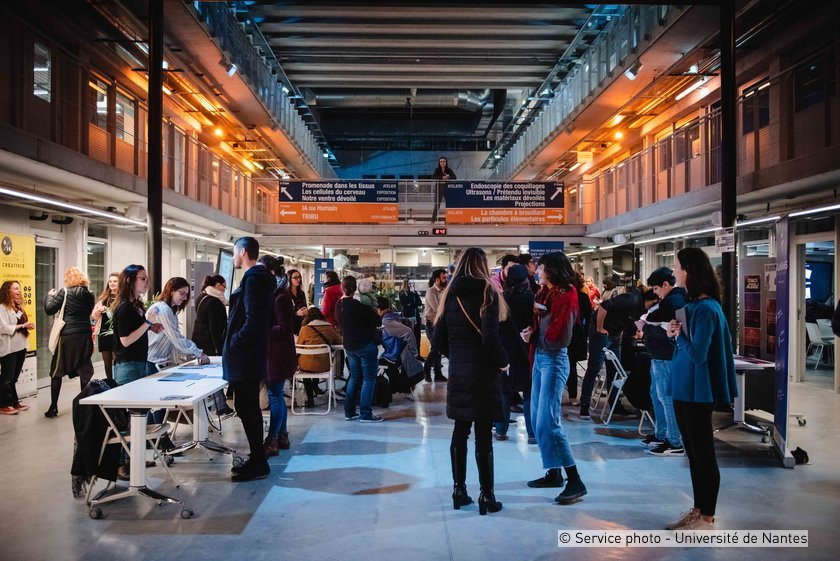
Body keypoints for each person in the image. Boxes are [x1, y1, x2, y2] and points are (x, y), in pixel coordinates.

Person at [431, 247, 509, 515]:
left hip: (459, 373)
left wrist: (457, 356)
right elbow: (490, 337)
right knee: (483, 436)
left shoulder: (449, 294)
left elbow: (437, 339)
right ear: (483, 266)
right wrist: (503, 362)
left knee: (460, 431)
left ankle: (458, 490)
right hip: (484, 374)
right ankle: (487, 495)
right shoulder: (488, 292)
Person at [664, 248, 736, 531]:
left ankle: (707, 514)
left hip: (697, 391)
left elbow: (698, 353)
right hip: (686, 389)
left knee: (702, 454)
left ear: (689, 271)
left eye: (677, 267)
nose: (674, 271)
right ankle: (699, 508)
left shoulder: (706, 309)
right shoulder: (697, 307)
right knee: (694, 455)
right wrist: (676, 334)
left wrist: (678, 336)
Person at [520, 252, 587, 504]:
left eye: (541, 268)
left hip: (554, 360)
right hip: (540, 357)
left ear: (552, 270)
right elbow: (544, 327)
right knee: (538, 420)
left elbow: (563, 339)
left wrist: (534, 337)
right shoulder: (544, 294)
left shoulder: (566, 296)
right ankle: (554, 472)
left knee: (549, 421)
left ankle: (575, 479)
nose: (537, 271)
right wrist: (532, 332)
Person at [223, 237, 276, 482]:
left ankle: (258, 461)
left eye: (235, 252)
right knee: (247, 407)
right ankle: (257, 458)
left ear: (243, 252)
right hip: (248, 354)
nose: (234, 257)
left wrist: (235, 341)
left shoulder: (253, 279)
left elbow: (253, 320)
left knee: (248, 407)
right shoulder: (256, 278)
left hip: (245, 355)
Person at [578, 283, 656, 419]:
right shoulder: (632, 299)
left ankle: (615, 405)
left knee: (615, 371)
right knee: (595, 367)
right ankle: (584, 405)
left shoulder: (642, 309)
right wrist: (600, 328)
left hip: (616, 334)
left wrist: (636, 331)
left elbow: (631, 323)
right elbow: (603, 306)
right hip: (602, 332)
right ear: (654, 300)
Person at [639, 267, 688, 456]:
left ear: (666, 285)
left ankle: (674, 441)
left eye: (656, 289)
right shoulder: (674, 300)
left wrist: (647, 328)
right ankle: (662, 435)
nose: (655, 293)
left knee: (666, 398)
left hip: (665, 356)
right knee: (658, 397)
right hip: (660, 356)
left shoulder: (673, 301)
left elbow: (658, 322)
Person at [43, 267, 97, 418]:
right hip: (84, 335)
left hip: (68, 336)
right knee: (83, 370)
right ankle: (84, 407)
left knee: (57, 370)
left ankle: (53, 407)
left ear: (68, 279)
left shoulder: (65, 292)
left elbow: (49, 309)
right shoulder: (90, 294)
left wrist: (49, 296)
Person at [259, 256, 297, 456]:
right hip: (276, 353)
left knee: (275, 395)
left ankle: (273, 439)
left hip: (277, 355)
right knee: (277, 395)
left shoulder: (280, 297)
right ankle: (282, 436)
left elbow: (283, 328)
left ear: (271, 273)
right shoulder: (276, 294)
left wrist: (261, 329)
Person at [494, 264, 534, 442]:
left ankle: (501, 430)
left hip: (507, 351)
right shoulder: (533, 299)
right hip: (528, 351)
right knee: (529, 393)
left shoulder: (502, 300)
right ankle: (532, 433)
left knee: (504, 391)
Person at [336, 275, 383, 422]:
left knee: (354, 378)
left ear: (342, 288)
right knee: (368, 379)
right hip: (365, 345)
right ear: (355, 288)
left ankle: (349, 412)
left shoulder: (339, 305)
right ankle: (366, 414)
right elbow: (378, 320)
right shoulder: (358, 305)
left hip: (349, 347)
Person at [110, 265, 164, 388]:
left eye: (147, 279)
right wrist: (148, 323)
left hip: (140, 361)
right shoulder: (124, 307)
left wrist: (150, 327)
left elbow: (133, 328)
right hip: (128, 365)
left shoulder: (136, 304)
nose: (147, 283)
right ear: (130, 280)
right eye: (143, 279)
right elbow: (126, 341)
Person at [146, 277, 210, 368]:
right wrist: (198, 353)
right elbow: (176, 338)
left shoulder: (170, 310)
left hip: (162, 363)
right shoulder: (163, 310)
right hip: (153, 363)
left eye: (186, 295)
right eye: (182, 293)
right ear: (172, 291)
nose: (185, 298)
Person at [0, 281, 35, 414]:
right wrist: (23, 326)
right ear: (7, 291)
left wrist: (25, 323)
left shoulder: (17, 306)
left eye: (19, 288)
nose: (19, 291)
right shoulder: (2, 307)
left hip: (20, 347)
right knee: (6, 378)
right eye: (16, 289)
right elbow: (3, 328)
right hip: (9, 348)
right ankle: (4, 405)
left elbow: (21, 321)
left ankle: (14, 402)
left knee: (13, 378)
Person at [377, 296, 425, 388]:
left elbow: (408, 332)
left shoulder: (387, 322)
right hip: (395, 354)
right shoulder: (391, 316)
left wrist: (414, 353)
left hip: (391, 356)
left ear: (378, 309)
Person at [567, 272, 592, 405]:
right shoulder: (583, 296)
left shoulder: (565, 296)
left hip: (568, 334)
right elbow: (589, 318)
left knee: (567, 365)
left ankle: (569, 394)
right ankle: (573, 396)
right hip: (577, 335)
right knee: (571, 365)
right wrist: (586, 334)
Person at [296, 307, 342, 375]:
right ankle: (315, 383)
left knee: (306, 361)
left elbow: (298, 346)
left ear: (308, 317)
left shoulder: (304, 329)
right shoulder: (329, 328)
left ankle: (308, 382)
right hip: (324, 365)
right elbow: (340, 341)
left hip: (305, 365)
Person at [91, 272, 120, 381]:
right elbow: (94, 316)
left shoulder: (123, 298)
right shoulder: (103, 298)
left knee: (117, 360)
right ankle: (111, 383)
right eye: (110, 281)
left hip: (118, 333)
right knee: (107, 362)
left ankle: (119, 382)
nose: (112, 283)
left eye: (115, 281)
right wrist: (99, 310)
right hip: (104, 333)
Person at [192, 275, 228, 356]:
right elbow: (215, 328)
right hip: (210, 345)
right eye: (224, 287)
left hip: (199, 341)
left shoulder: (201, 296)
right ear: (218, 285)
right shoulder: (214, 302)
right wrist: (219, 349)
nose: (224, 290)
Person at [423, 269, 448, 382]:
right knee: (435, 349)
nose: (446, 280)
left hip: (439, 325)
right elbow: (437, 308)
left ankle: (437, 374)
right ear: (437, 279)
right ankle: (427, 370)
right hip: (431, 325)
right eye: (444, 278)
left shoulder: (443, 290)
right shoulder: (431, 291)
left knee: (438, 350)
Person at [398, 279, 423, 353]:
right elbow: (405, 304)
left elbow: (419, 303)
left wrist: (412, 302)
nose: (412, 285)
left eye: (412, 283)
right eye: (410, 283)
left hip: (416, 316)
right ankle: (409, 354)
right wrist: (412, 300)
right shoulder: (402, 293)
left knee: (417, 335)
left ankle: (418, 354)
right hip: (408, 317)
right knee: (409, 336)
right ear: (406, 284)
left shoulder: (414, 292)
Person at [431, 156, 456, 223]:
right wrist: (442, 177)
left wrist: (448, 177)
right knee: (437, 205)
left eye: (444, 161)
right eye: (441, 161)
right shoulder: (437, 170)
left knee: (450, 204)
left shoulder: (449, 170)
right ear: (439, 163)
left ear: (446, 162)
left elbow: (454, 177)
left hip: (447, 189)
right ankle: (433, 220)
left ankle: (452, 219)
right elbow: (433, 177)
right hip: (439, 189)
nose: (442, 163)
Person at [287, 269, 308, 336]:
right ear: (289, 279)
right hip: (290, 325)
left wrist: (306, 311)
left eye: (299, 277)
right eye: (295, 277)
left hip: (301, 325)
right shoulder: (285, 294)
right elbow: (284, 312)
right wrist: (296, 313)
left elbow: (304, 306)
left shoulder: (301, 293)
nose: (298, 279)